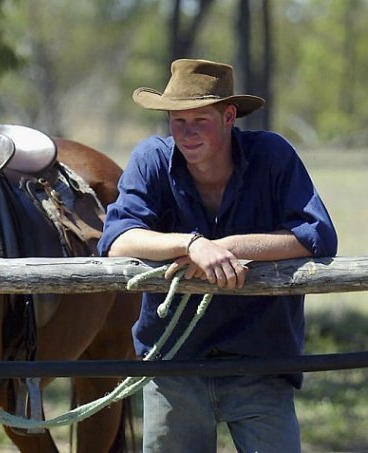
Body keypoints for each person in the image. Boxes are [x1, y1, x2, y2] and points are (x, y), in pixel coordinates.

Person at [98, 59, 338, 452]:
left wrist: (228, 247)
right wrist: (192, 244)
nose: (187, 133)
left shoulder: (272, 155)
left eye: (200, 120)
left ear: (229, 116)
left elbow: (318, 234)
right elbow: (118, 239)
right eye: (178, 122)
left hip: (260, 360)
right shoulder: (151, 159)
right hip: (173, 362)